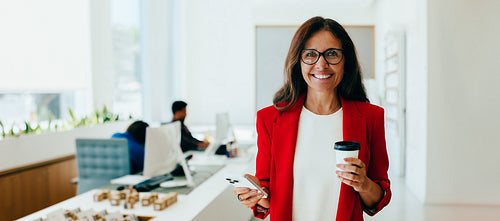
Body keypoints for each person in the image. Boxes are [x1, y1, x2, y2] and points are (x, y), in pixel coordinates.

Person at [233, 17, 391, 221]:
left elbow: (378, 198)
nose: (321, 64)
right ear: (298, 61)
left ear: (346, 61)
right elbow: (271, 200)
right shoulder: (269, 119)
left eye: (332, 54)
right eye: (310, 55)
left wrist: (364, 183)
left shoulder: (371, 117)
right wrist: (254, 196)